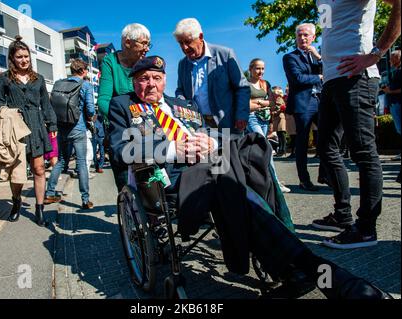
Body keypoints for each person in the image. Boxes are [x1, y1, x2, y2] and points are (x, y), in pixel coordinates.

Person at [109, 55, 392, 299]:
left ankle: (296, 267)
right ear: (134, 81)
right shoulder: (123, 106)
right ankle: (324, 274)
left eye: (156, 78)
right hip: (175, 182)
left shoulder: (184, 106)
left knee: (253, 148)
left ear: (164, 79)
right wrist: (173, 148)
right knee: (229, 175)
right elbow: (122, 149)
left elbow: (214, 135)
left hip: (218, 169)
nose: (150, 84)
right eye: (144, 79)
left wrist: (211, 143)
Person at [314, 0, 401, 249]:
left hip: (356, 77)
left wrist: (375, 54)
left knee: (362, 151)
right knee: (325, 147)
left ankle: (365, 229)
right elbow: (330, 32)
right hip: (331, 79)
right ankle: (342, 214)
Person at [0, 36, 57, 226]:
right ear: (12, 58)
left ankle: (39, 209)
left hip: (36, 125)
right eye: (19, 57)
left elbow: (46, 104)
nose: (24, 60)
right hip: (16, 129)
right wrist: (8, 112)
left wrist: (52, 124)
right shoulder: (4, 78)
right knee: (18, 173)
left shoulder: (38, 79)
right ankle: (16, 201)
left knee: (39, 169)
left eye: (26, 57)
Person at [97, 23, 151, 192]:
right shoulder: (110, 62)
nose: (147, 49)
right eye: (143, 43)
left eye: (149, 44)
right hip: (121, 128)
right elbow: (104, 101)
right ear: (128, 43)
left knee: (152, 181)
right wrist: (124, 121)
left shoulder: (145, 63)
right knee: (126, 184)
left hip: (146, 127)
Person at [174, 18, 249, 132]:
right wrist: (183, 105)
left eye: (188, 41)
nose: (184, 47)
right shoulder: (182, 64)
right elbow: (180, 90)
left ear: (200, 37)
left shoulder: (225, 55)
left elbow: (242, 87)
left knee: (228, 150)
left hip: (227, 122)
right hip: (197, 125)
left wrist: (241, 114)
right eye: (181, 43)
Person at [45, 58, 95, 209]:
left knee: (60, 161)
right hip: (78, 128)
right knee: (81, 162)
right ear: (83, 71)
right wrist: (89, 119)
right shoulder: (86, 85)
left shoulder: (59, 84)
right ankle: (85, 200)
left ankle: (49, 193)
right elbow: (90, 109)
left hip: (62, 127)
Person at [283, 23, 323, 192]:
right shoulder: (290, 57)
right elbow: (298, 79)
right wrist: (319, 76)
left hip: (320, 101)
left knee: (328, 139)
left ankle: (325, 174)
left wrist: (319, 58)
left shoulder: (316, 56)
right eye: (299, 35)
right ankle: (304, 179)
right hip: (303, 104)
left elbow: (329, 70)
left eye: (306, 35)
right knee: (302, 142)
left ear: (313, 37)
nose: (302, 38)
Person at [247, 59, 290, 193]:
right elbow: (245, 105)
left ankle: (260, 181)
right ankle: (275, 183)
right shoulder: (245, 84)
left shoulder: (266, 84)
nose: (261, 72)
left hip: (264, 119)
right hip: (251, 118)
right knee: (266, 147)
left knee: (257, 151)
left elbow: (272, 102)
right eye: (258, 68)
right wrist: (263, 102)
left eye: (263, 68)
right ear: (251, 69)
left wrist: (257, 102)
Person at [382, 49, 401, 180]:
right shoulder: (397, 71)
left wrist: (390, 91)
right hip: (395, 103)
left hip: (399, 103)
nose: (389, 61)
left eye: (392, 58)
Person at [272, 86, 287, 157]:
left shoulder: (279, 98)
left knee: (281, 134)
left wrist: (274, 112)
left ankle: (282, 150)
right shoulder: (276, 98)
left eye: (274, 91)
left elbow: (280, 108)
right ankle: (281, 150)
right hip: (277, 118)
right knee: (279, 134)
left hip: (280, 117)